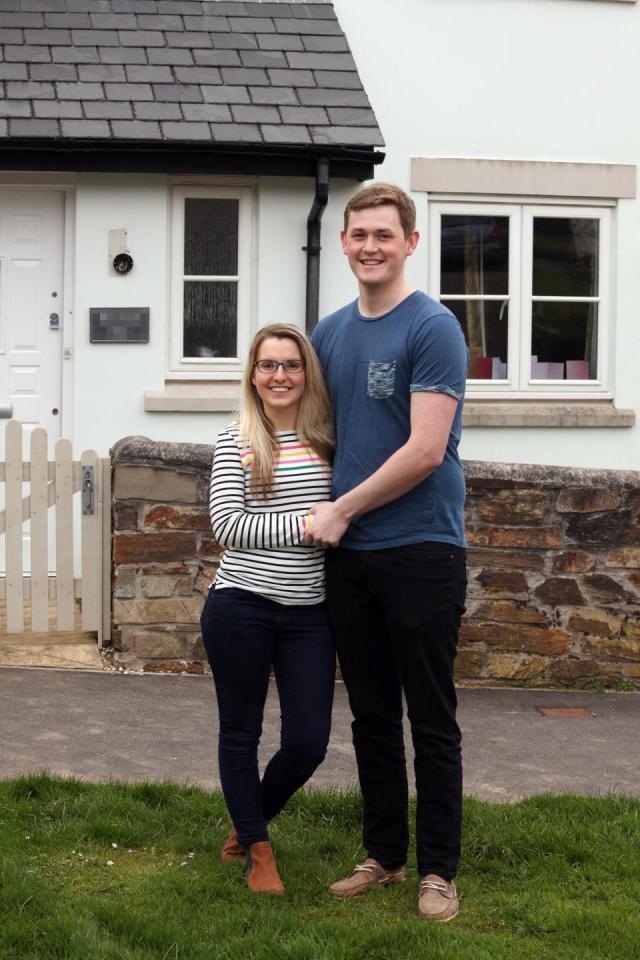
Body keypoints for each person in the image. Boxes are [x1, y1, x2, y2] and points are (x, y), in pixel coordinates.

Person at [306, 183, 468, 922]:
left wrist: (340, 508)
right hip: (351, 557)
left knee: (430, 717)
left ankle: (439, 871)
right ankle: (385, 857)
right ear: (342, 242)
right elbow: (315, 438)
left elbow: (426, 450)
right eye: (357, 233)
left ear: (410, 242)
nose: (369, 245)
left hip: (421, 549)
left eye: (383, 233)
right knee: (371, 714)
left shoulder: (432, 328)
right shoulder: (330, 333)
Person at [200, 323, 335, 895]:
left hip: (310, 614)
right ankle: (258, 849)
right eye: (268, 365)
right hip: (241, 607)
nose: (280, 376)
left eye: (291, 364)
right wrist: (310, 525)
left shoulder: (330, 440)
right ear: (252, 376)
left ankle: (247, 816)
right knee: (242, 732)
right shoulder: (237, 440)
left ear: (307, 373)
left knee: (309, 741)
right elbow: (227, 525)